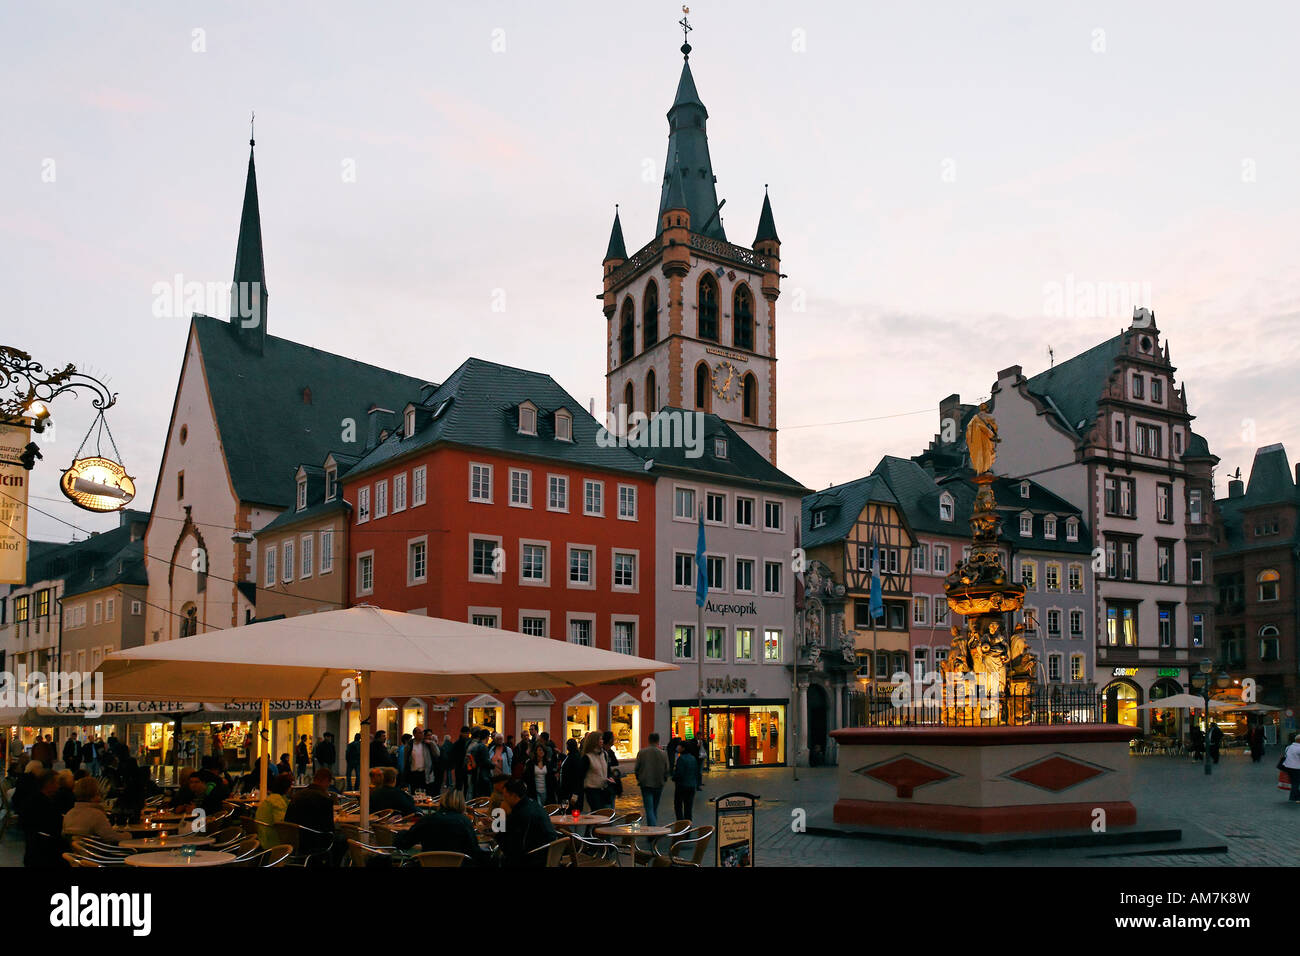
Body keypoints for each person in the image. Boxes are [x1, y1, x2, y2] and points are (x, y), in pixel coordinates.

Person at [393, 788, 491, 864]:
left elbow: (404, 842)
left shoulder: (427, 820)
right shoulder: (464, 822)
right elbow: (474, 851)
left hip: (428, 863)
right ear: (461, 803)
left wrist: (400, 833)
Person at [495, 779, 556, 867]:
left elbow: (508, 848)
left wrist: (501, 818)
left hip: (532, 859)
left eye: (505, 797)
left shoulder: (520, 813)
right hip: (548, 854)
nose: (504, 801)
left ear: (514, 796)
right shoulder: (534, 804)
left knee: (494, 858)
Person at [285, 768, 338, 854]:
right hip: (316, 842)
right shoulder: (324, 799)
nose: (328, 786)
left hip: (294, 841)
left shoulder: (296, 796)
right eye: (328, 783)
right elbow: (329, 829)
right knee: (343, 840)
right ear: (325, 781)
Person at [62, 776, 129, 843]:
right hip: (100, 852)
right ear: (95, 794)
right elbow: (111, 837)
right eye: (99, 793)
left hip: (78, 851)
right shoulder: (96, 815)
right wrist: (129, 835)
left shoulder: (69, 814)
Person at [22, 771, 66, 867]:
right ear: (49, 784)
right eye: (57, 783)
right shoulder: (44, 804)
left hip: (34, 851)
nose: (59, 786)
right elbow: (55, 826)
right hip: (47, 852)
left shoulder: (34, 799)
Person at [634, 732, 669, 826]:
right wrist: (664, 779)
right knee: (654, 808)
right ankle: (653, 828)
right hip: (659, 783)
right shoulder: (663, 754)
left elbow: (637, 768)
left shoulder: (642, 752)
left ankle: (652, 829)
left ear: (649, 740)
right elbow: (667, 769)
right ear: (658, 741)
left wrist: (639, 778)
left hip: (646, 783)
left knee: (649, 808)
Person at [255, 772, 294, 848]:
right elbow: (281, 824)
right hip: (272, 840)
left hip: (262, 836)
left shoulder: (270, 798)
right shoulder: (277, 801)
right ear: (287, 787)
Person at [580, 732, 612, 812]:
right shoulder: (587, 757)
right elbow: (580, 776)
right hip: (592, 791)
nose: (602, 741)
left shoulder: (604, 754)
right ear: (594, 741)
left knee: (605, 814)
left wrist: (609, 778)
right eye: (600, 739)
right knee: (596, 814)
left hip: (604, 789)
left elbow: (607, 771)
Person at [672, 739, 701, 822]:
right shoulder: (693, 758)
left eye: (679, 746)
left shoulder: (681, 759)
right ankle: (688, 825)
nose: (678, 747)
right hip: (691, 785)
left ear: (683, 748)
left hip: (682, 786)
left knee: (678, 806)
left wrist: (674, 777)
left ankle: (681, 824)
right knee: (688, 807)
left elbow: (679, 773)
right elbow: (696, 772)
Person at [466, 730, 493, 798]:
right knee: (484, 797)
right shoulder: (483, 747)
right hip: (483, 775)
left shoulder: (475, 746)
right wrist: (493, 765)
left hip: (475, 773)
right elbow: (486, 762)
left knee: (475, 795)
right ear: (487, 737)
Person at [558, 738, 583, 808]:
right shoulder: (571, 756)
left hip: (570, 789)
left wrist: (575, 793)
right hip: (567, 789)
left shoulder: (575, 757)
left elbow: (577, 776)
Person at [602, 730, 623, 799]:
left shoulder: (610, 752)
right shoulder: (602, 753)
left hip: (611, 785)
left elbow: (615, 771)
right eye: (613, 738)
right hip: (604, 785)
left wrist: (619, 789)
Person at [1280, 732, 1300, 803]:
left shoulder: (1288, 747)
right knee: (1296, 783)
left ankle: (1293, 797)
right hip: (1296, 768)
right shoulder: (1299, 748)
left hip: (1288, 767)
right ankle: (1296, 797)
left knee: (1294, 782)